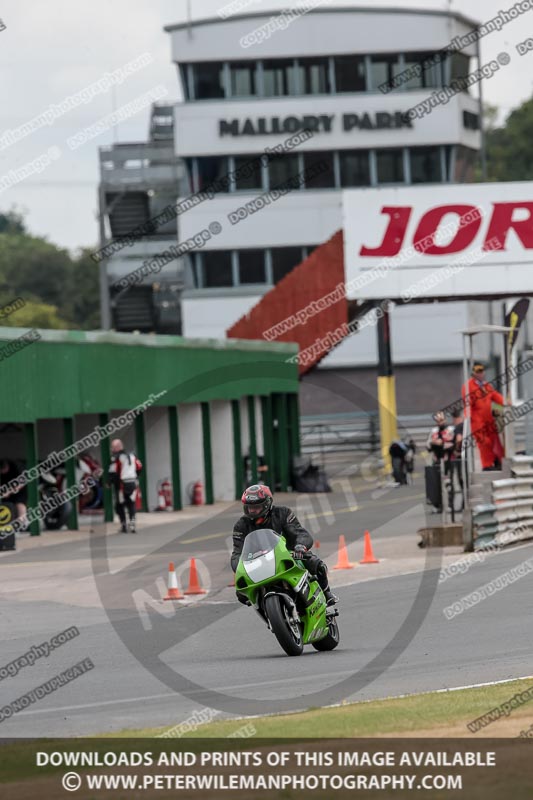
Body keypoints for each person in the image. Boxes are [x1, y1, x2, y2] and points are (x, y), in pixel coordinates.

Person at [230, 484, 338, 607]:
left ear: (266, 504)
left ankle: (327, 593)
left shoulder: (283, 513)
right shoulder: (241, 525)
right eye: (249, 507)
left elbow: (300, 533)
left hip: (289, 555)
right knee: (241, 593)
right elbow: (237, 552)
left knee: (316, 564)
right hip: (259, 563)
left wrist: (300, 546)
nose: (252, 511)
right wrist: (239, 567)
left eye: (256, 507)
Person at [462, 362, 505, 471]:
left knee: (494, 441)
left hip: (488, 419)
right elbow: (467, 403)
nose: (480, 374)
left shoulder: (486, 385)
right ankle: (486, 465)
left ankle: (496, 460)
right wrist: (468, 416)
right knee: (484, 442)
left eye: (481, 371)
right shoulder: (468, 386)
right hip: (477, 420)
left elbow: (495, 396)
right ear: (473, 373)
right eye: (478, 371)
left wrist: (506, 402)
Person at [108, 439, 142, 533]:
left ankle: (124, 525)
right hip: (133, 482)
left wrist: (110, 482)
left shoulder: (116, 458)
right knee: (131, 504)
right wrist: (136, 476)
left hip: (122, 484)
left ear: (117, 447)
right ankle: (132, 525)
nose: (112, 449)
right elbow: (139, 467)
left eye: (113, 447)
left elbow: (113, 471)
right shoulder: (132, 455)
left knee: (119, 505)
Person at [426, 412, 455, 512]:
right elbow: (428, 445)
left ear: (445, 420)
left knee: (449, 484)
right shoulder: (433, 431)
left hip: (448, 460)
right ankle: (437, 505)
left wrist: (442, 443)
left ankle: (450, 504)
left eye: (441, 420)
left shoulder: (451, 430)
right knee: (436, 484)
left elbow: (453, 444)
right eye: (438, 421)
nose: (440, 423)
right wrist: (433, 443)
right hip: (436, 461)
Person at [0, 459, 27, 530]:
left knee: (19, 503)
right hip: (5, 489)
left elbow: (22, 483)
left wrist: (9, 492)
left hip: (19, 489)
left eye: (3, 470)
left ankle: (22, 523)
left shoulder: (16, 467)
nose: (2, 472)